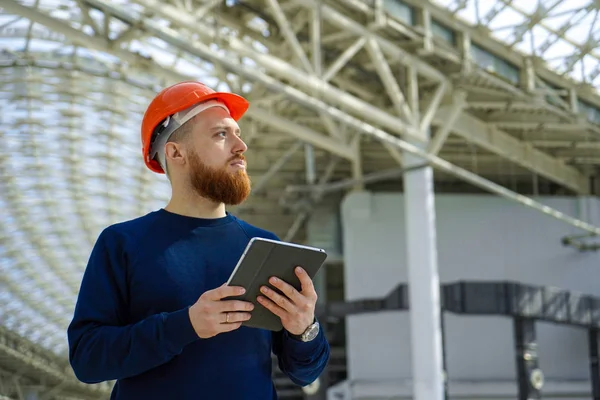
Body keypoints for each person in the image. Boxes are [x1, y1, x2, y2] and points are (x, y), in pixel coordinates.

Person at [67, 81, 330, 399]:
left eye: (237, 133)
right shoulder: (122, 244)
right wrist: (185, 325)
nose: (240, 145)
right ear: (176, 152)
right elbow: (87, 359)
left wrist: (304, 329)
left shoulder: (264, 246)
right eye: (222, 134)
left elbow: (305, 372)